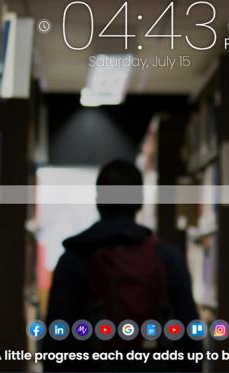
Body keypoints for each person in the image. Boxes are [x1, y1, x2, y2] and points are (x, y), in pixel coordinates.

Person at [42, 159, 201, 372]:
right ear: (140, 201)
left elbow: (55, 345)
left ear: (98, 200)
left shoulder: (73, 259)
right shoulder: (168, 259)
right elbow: (191, 340)